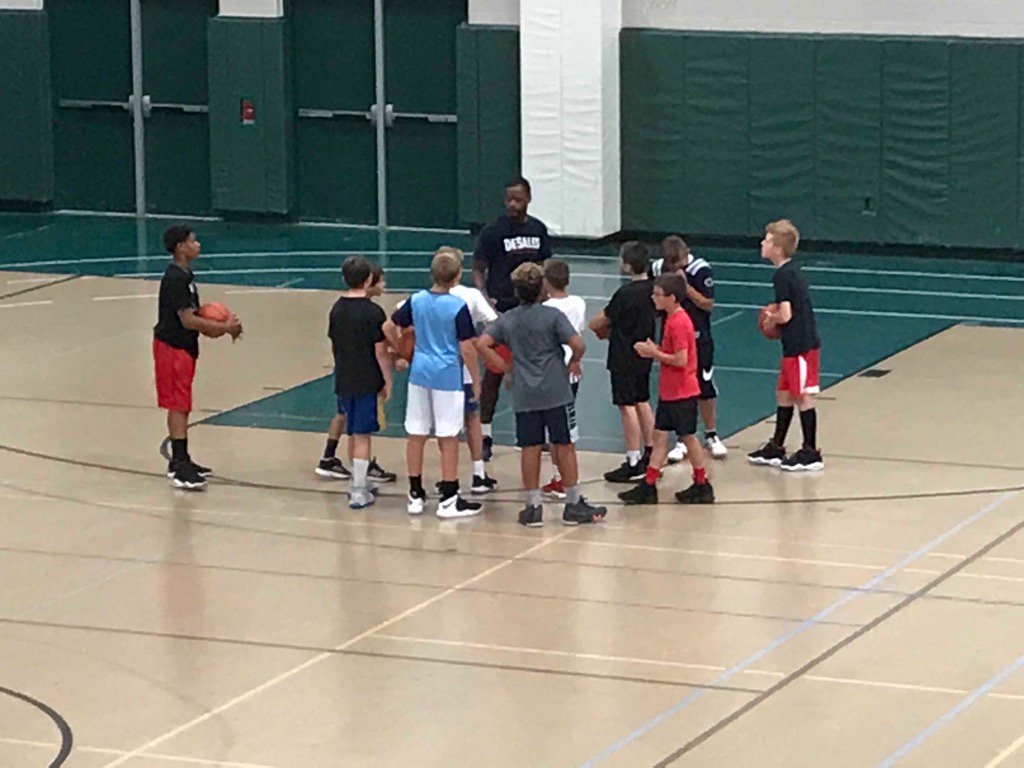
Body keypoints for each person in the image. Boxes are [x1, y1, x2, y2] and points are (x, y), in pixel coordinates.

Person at [479, 263, 607, 527]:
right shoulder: (552, 316)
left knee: (530, 446)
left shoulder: (508, 319)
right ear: (541, 287)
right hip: (555, 390)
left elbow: (483, 344)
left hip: (525, 392)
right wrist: (574, 360)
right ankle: (572, 503)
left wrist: (505, 367)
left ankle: (533, 506)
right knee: (563, 444)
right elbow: (578, 344)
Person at [384, 249, 483, 518]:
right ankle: (449, 498)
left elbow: (388, 326)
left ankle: (414, 493)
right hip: (447, 376)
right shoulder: (457, 307)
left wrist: (403, 352)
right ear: (457, 277)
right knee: (448, 435)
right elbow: (467, 348)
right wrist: (476, 379)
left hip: (419, 374)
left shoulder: (416, 300)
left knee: (416, 433)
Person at [153, 224, 242, 491]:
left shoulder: (185, 274)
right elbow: (189, 320)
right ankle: (179, 466)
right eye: (193, 241)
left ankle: (182, 458)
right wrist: (224, 328)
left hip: (183, 347)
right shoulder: (176, 278)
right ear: (180, 246)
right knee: (178, 404)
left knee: (182, 404)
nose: (198, 244)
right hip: (172, 347)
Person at [472, 177, 552, 461]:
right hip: (502, 312)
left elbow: (545, 266)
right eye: (508, 198)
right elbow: (478, 268)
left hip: (530, 312)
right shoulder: (493, 231)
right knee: (493, 376)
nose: (512, 203)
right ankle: (485, 435)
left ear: (528, 198)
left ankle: (531, 435)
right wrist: (484, 298)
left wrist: (544, 297)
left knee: (532, 376)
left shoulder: (538, 230)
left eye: (517, 198)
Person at [618, 273, 714, 505]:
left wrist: (654, 354)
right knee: (659, 437)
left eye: (658, 295)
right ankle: (649, 484)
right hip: (671, 391)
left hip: (682, 391)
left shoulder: (680, 322)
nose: (654, 298)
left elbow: (681, 360)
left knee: (688, 437)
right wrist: (658, 349)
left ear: (671, 297)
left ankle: (702, 483)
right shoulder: (670, 319)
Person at [748, 219, 824, 471]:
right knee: (783, 392)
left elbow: (786, 315)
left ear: (778, 249)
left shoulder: (782, 275)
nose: (762, 242)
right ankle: (777, 446)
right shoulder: (789, 272)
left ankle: (810, 451)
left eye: (767, 240)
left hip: (801, 345)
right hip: (794, 344)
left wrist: (771, 318)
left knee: (802, 395)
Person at [322, 256, 395, 509]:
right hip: (366, 379)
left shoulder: (336, 309)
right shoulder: (373, 312)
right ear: (368, 280)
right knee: (363, 435)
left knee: (353, 430)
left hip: (344, 377)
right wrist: (387, 379)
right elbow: (380, 351)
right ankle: (358, 492)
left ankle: (359, 480)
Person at [653, 236, 728, 463]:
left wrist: (685, 287)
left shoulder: (700, 269)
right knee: (677, 391)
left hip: (698, 335)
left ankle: (711, 434)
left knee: (704, 385)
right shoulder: (658, 268)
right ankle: (682, 438)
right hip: (671, 336)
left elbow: (707, 303)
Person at [588, 241, 656, 484]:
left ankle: (633, 460)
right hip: (645, 352)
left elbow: (599, 321)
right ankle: (652, 452)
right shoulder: (654, 289)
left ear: (627, 264)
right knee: (642, 400)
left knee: (626, 406)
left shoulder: (625, 293)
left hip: (623, 355)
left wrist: (599, 327)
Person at [540, 259, 586, 499]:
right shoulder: (579, 303)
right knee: (564, 426)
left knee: (560, 431)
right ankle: (563, 477)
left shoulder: (546, 308)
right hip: (572, 373)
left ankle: (563, 479)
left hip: (556, 372)